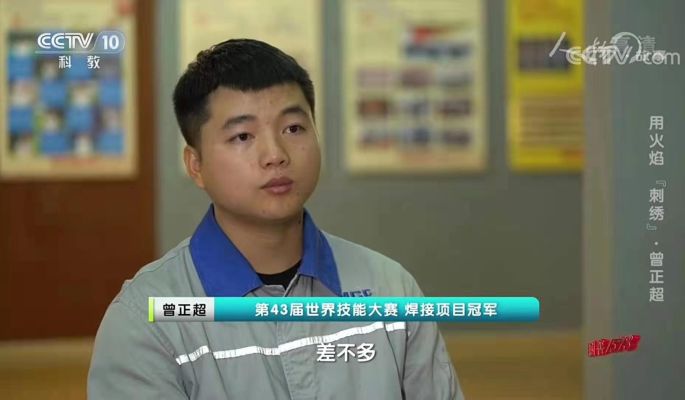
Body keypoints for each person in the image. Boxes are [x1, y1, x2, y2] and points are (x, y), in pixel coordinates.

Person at [87, 38, 464, 400]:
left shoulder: (391, 290)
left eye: (293, 128)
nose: (275, 154)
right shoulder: (146, 321)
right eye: (243, 136)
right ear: (196, 165)